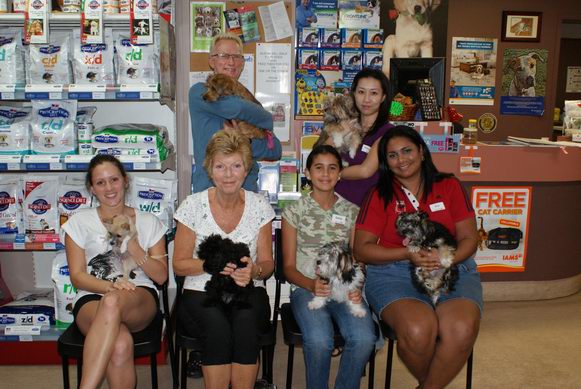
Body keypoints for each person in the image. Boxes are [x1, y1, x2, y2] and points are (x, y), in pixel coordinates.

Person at [353, 125, 482, 389]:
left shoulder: (449, 185)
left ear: (422, 152)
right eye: (392, 155)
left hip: (451, 267)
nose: (401, 159)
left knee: (461, 330)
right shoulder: (379, 195)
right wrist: (408, 253)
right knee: (417, 331)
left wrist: (447, 258)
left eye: (407, 150)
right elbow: (361, 249)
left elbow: (470, 238)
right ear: (385, 163)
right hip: (394, 271)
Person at [173, 130, 275, 389]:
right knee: (217, 328)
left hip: (247, 288)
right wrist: (208, 266)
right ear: (210, 169)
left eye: (236, 166)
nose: (228, 174)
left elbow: (267, 264)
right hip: (200, 289)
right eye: (221, 166)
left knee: (245, 324)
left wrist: (254, 271)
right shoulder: (192, 206)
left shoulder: (260, 206)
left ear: (246, 168)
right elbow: (179, 264)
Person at [62, 154, 168, 389]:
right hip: (93, 297)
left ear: (125, 181)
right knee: (119, 343)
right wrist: (111, 286)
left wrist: (132, 244)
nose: (109, 188)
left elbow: (161, 276)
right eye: (101, 182)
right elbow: (77, 276)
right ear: (92, 188)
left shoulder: (150, 221)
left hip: (138, 296)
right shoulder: (79, 222)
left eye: (114, 180)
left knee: (112, 302)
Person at [282, 145, 376, 389]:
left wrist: (359, 287)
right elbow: (288, 267)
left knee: (365, 338)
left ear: (340, 173)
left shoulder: (352, 211)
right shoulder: (294, 211)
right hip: (306, 287)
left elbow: (358, 260)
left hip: (345, 288)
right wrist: (310, 284)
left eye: (332, 168)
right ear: (308, 172)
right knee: (319, 340)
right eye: (319, 168)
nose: (325, 174)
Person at [189, 32, 282, 193]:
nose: (231, 62)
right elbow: (236, 109)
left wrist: (246, 141)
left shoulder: (246, 97)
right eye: (224, 56)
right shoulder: (200, 92)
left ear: (243, 62)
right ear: (212, 61)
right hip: (209, 194)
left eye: (237, 57)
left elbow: (276, 149)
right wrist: (265, 117)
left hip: (246, 196)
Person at [332, 68, 393, 206]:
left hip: (366, 207)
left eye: (373, 93)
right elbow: (323, 152)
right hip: (334, 204)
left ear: (383, 97)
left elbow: (365, 171)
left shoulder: (388, 132)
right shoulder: (346, 124)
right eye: (361, 92)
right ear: (354, 94)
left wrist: (330, 173)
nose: (366, 99)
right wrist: (341, 130)